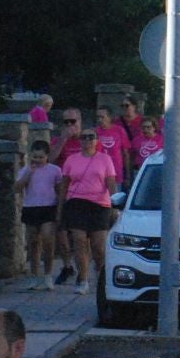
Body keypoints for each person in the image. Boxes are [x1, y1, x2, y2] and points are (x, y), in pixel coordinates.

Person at [58, 126, 117, 295]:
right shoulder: (71, 160)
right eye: (84, 137)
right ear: (80, 141)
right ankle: (82, 278)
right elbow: (64, 186)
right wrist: (60, 210)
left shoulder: (105, 159)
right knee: (79, 240)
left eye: (91, 137)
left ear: (97, 140)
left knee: (99, 246)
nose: (87, 140)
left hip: (99, 204)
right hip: (77, 203)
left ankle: (100, 272)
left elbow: (111, 183)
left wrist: (115, 203)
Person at [13, 141, 63, 292]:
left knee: (48, 239)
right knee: (33, 242)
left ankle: (48, 274)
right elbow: (17, 188)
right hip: (31, 207)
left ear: (47, 156)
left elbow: (60, 190)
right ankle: (34, 275)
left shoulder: (55, 170)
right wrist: (29, 173)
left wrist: (60, 210)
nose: (38, 160)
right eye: (35, 156)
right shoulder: (26, 170)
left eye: (41, 157)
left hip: (48, 207)